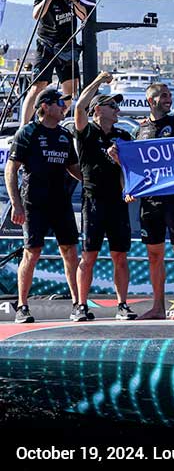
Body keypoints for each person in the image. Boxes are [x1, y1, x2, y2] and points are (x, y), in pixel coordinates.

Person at [8, 89, 83, 323]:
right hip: (33, 202)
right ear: (45, 107)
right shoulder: (28, 132)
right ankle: (22, 306)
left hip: (60, 201)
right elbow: (11, 170)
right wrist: (16, 204)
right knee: (32, 252)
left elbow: (74, 168)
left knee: (70, 251)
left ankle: (78, 304)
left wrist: (97, 182)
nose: (64, 107)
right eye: (60, 103)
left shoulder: (63, 135)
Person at [74, 73, 136, 321]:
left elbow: (130, 170)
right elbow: (79, 106)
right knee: (89, 255)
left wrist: (127, 185)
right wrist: (98, 80)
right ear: (98, 109)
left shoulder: (123, 136)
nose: (117, 109)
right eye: (112, 105)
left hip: (116, 202)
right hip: (94, 201)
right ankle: (80, 305)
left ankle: (122, 304)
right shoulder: (87, 132)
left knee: (120, 255)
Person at [134, 83, 174, 319]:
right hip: (150, 201)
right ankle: (158, 307)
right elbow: (136, 165)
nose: (168, 99)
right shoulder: (141, 130)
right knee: (154, 255)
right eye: (164, 96)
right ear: (151, 101)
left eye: (170, 95)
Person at [22, 0, 88, 125]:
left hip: (67, 46)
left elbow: (84, 16)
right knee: (38, 86)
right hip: (47, 45)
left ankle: (54, 121)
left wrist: (74, 0)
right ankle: (24, 126)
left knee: (70, 90)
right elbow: (36, 15)